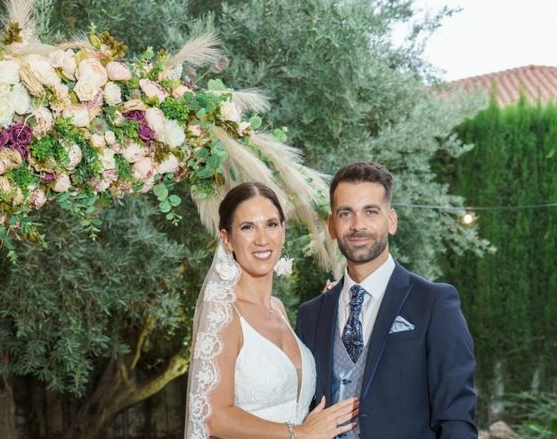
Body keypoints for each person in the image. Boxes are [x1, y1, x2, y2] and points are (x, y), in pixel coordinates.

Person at [296, 162, 477, 438]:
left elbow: (456, 419)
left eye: (371, 211)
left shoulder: (434, 303)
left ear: (391, 221)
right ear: (332, 225)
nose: (358, 225)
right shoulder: (311, 315)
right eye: (346, 213)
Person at [184, 182, 358, 439]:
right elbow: (213, 416)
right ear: (227, 239)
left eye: (271, 224)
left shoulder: (277, 309)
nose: (262, 239)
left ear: (283, 230)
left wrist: (331, 316)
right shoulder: (224, 313)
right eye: (247, 227)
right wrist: (300, 433)